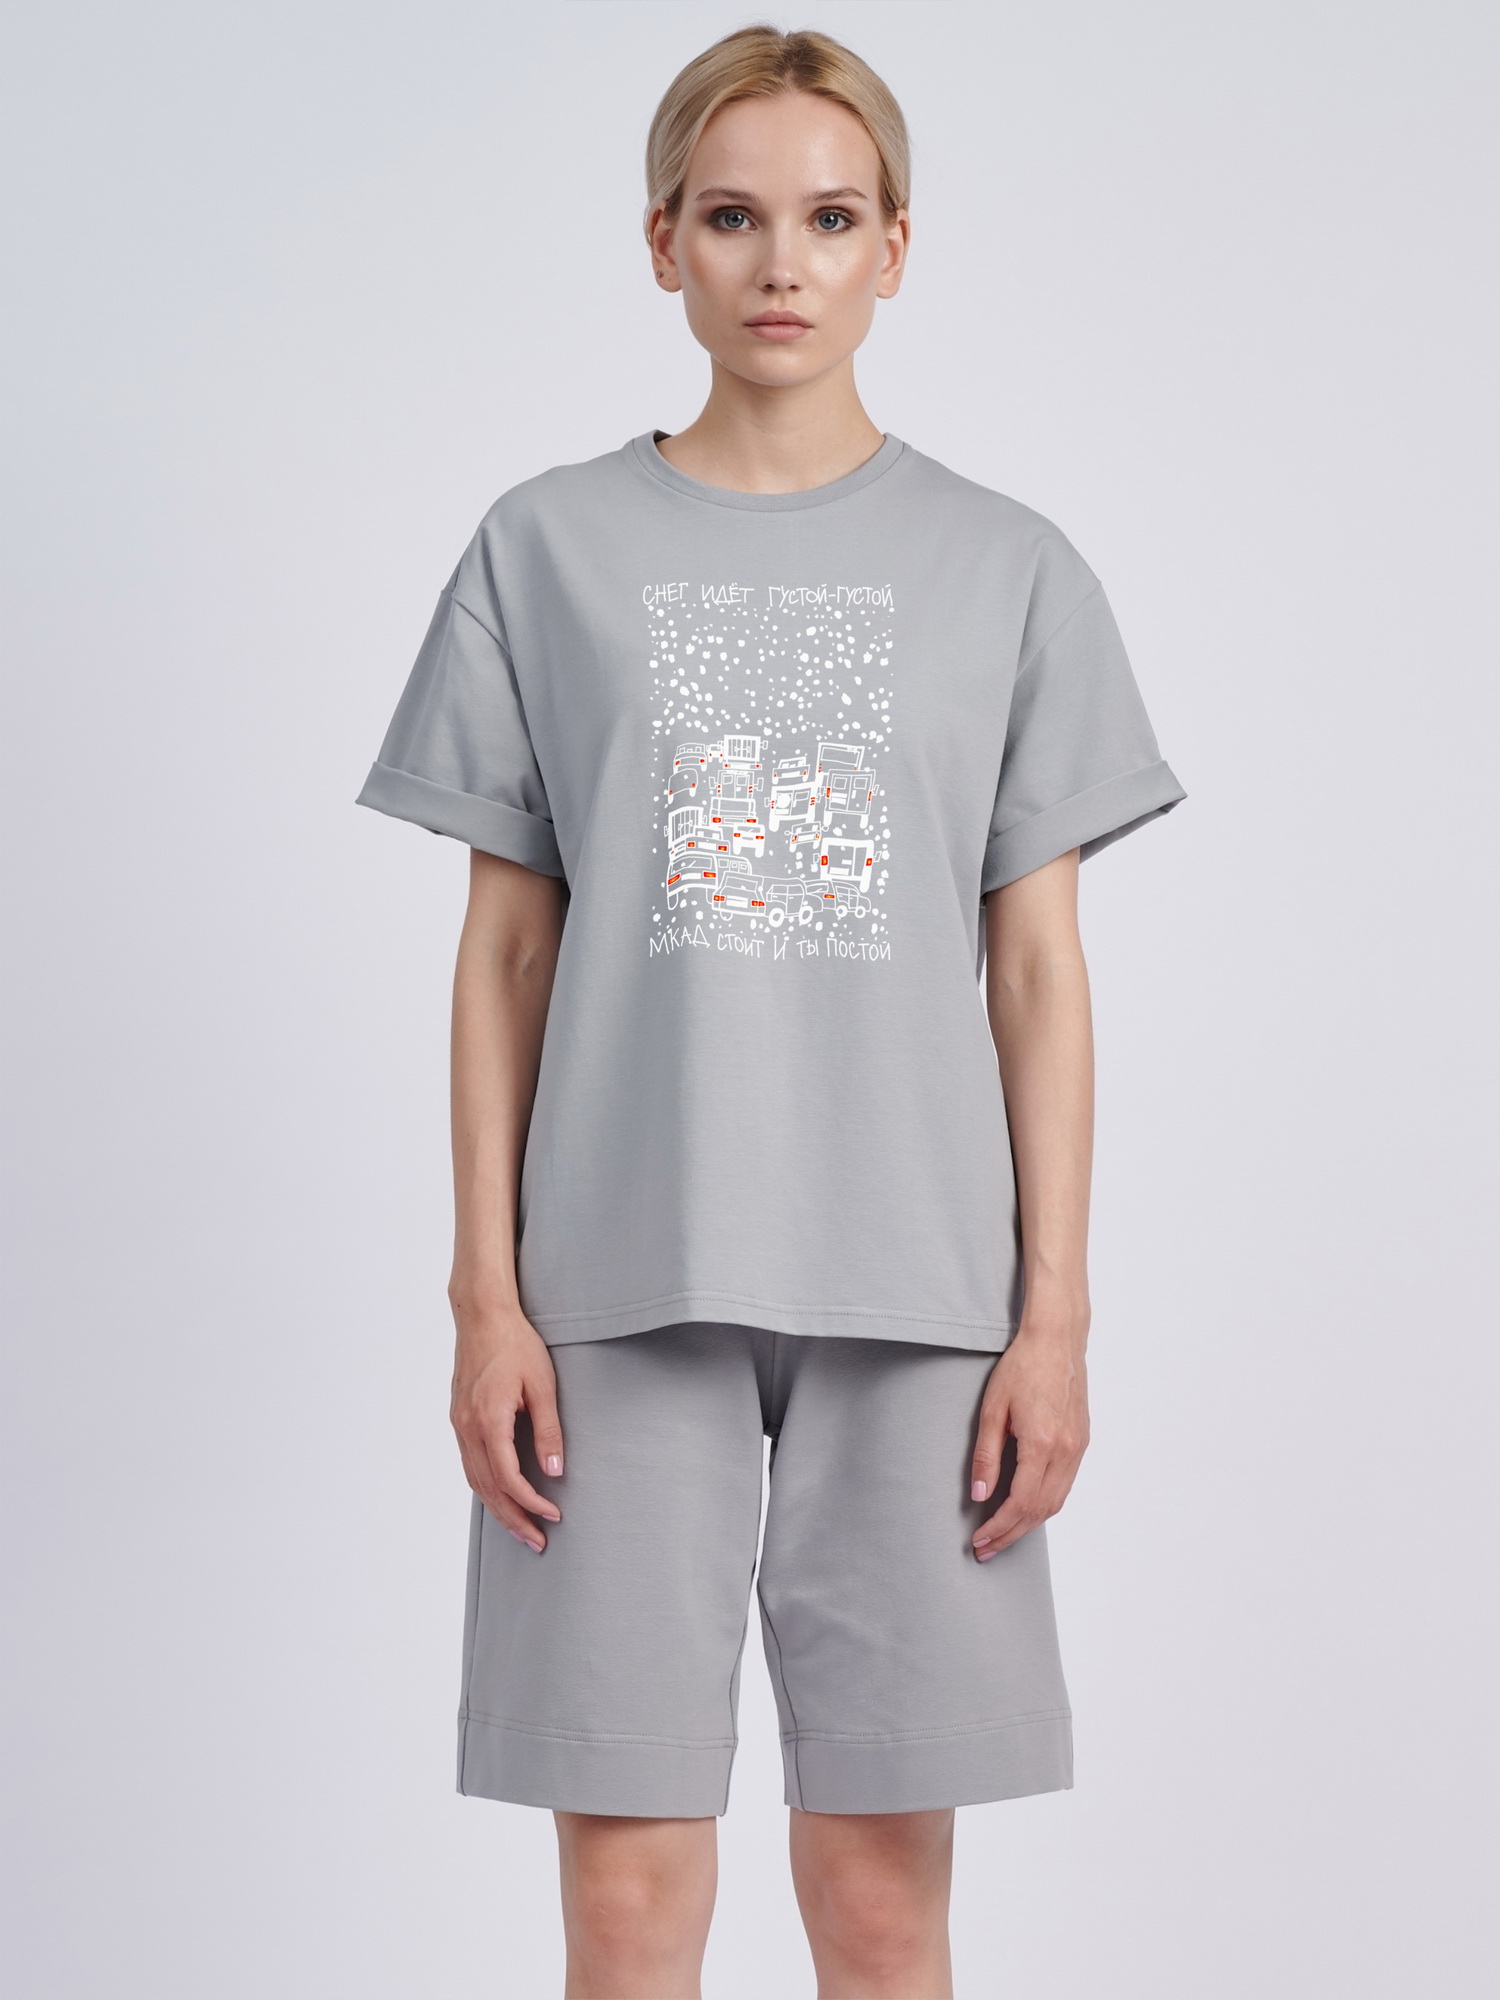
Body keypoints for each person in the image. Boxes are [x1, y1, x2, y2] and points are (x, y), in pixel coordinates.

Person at [356, 23, 1185, 2000]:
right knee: (629, 1908)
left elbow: (1040, 969)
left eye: (829, 218)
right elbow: (504, 952)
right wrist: (485, 1299)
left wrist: (1054, 1317)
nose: (781, 264)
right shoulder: (545, 550)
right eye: (732, 218)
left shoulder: (1009, 570)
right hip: (614, 1293)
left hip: (920, 1305)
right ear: (663, 244)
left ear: (898, 246)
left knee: (885, 1909)